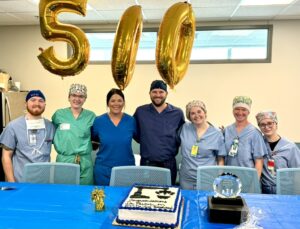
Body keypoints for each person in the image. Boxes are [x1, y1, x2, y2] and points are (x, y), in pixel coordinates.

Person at [134, 80, 185, 185]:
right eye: (154, 92)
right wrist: (147, 141)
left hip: (169, 164)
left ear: (166, 94)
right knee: (147, 195)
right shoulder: (141, 112)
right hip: (147, 164)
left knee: (168, 195)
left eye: (161, 92)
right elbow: (135, 132)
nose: (158, 95)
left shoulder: (177, 113)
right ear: (149, 93)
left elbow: (183, 134)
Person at [0, 90, 55, 182]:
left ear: (45, 104)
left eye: (40, 101)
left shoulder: (50, 126)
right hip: (20, 182)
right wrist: (12, 182)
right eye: (33, 100)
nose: (37, 103)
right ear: (26, 103)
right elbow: (6, 156)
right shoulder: (13, 126)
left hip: (44, 182)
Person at [52, 84, 96, 185]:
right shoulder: (59, 114)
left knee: (85, 193)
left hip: (85, 161)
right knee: (64, 192)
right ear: (69, 97)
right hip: (64, 160)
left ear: (85, 99)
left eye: (81, 96)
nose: (77, 99)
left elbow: (95, 136)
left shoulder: (91, 116)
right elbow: (53, 132)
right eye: (74, 95)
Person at [91, 88, 136, 185]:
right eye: (113, 101)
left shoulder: (131, 121)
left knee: (125, 198)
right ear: (107, 103)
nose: (116, 104)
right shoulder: (98, 121)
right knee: (104, 199)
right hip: (103, 171)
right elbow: (93, 141)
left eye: (120, 100)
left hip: (126, 170)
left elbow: (141, 139)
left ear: (124, 103)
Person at [179, 100, 226, 190]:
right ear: (189, 117)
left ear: (205, 113)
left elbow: (220, 159)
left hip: (207, 178)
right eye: (192, 113)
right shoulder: (184, 128)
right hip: (186, 179)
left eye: (199, 111)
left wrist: (219, 178)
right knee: (186, 202)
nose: (197, 115)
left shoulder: (216, 133)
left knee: (205, 203)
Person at [256, 111, 300, 194]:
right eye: (262, 124)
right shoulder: (259, 145)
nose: (266, 127)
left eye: (270, 123)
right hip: (265, 192)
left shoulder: (290, 147)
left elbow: (297, 173)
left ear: (276, 124)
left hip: (286, 191)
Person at [224, 96, 267, 178]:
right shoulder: (227, 131)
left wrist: (254, 182)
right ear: (233, 110)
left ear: (248, 112)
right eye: (237, 109)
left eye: (244, 110)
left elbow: (259, 161)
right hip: (229, 178)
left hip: (248, 179)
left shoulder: (255, 133)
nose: (240, 113)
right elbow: (221, 157)